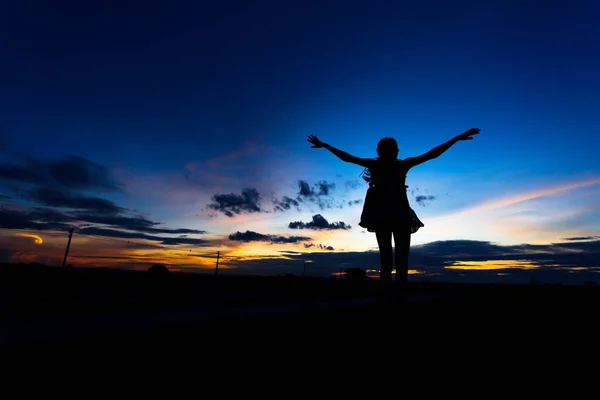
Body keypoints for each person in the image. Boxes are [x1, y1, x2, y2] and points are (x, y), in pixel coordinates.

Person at [307, 128, 480, 303]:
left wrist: (325, 145)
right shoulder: (399, 165)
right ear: (392, 151)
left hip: (388, 215)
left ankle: (391, 298)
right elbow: (432, 154)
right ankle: (394, 298)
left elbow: (348, 157)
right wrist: (457, 138)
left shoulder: (384, 165)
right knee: (398, 260)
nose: (395, 152)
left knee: (388, 260)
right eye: (394, 149)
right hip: (395, 215)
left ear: (379, 151)